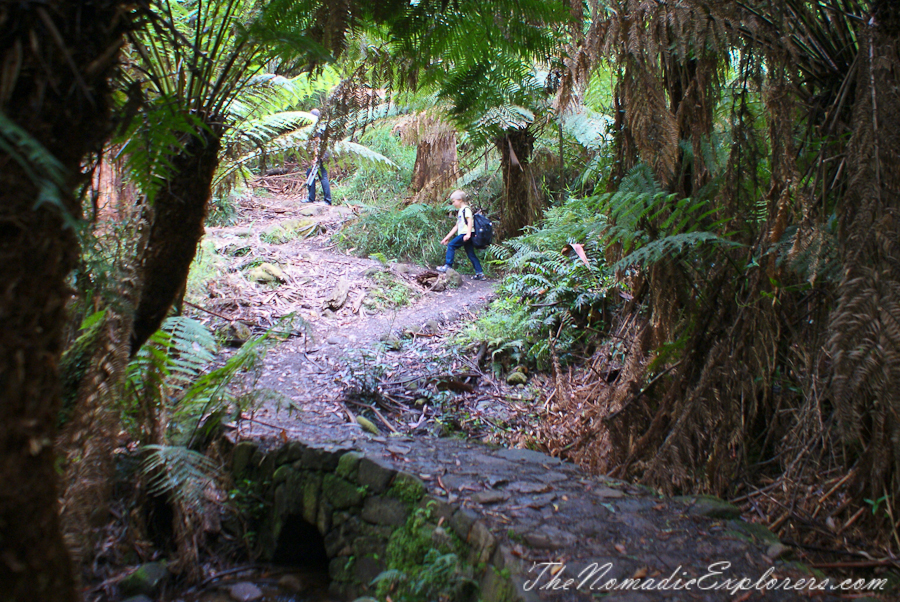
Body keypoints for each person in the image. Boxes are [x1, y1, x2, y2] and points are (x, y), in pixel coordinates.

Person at [438, 190, 485, 280]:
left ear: (460, 200)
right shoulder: (461, 211)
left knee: (451, 245)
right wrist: (446, 237)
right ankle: (480, 273)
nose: (453, 203)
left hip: (466, 234)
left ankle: (448, 265)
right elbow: (456, 226)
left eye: (453, 201)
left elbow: (470, 220)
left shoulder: (466, 209)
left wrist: (467, 234)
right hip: (466, 234)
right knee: (471, 253)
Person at [306, 108, 332, 205]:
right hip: (326, 154)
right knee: (318, 174)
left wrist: (315, 158)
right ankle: (314, 198)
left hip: (321, 154)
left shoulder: (317, 128)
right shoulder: (323, 126)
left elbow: (317, 143)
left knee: (321, 176)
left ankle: (325, 200)